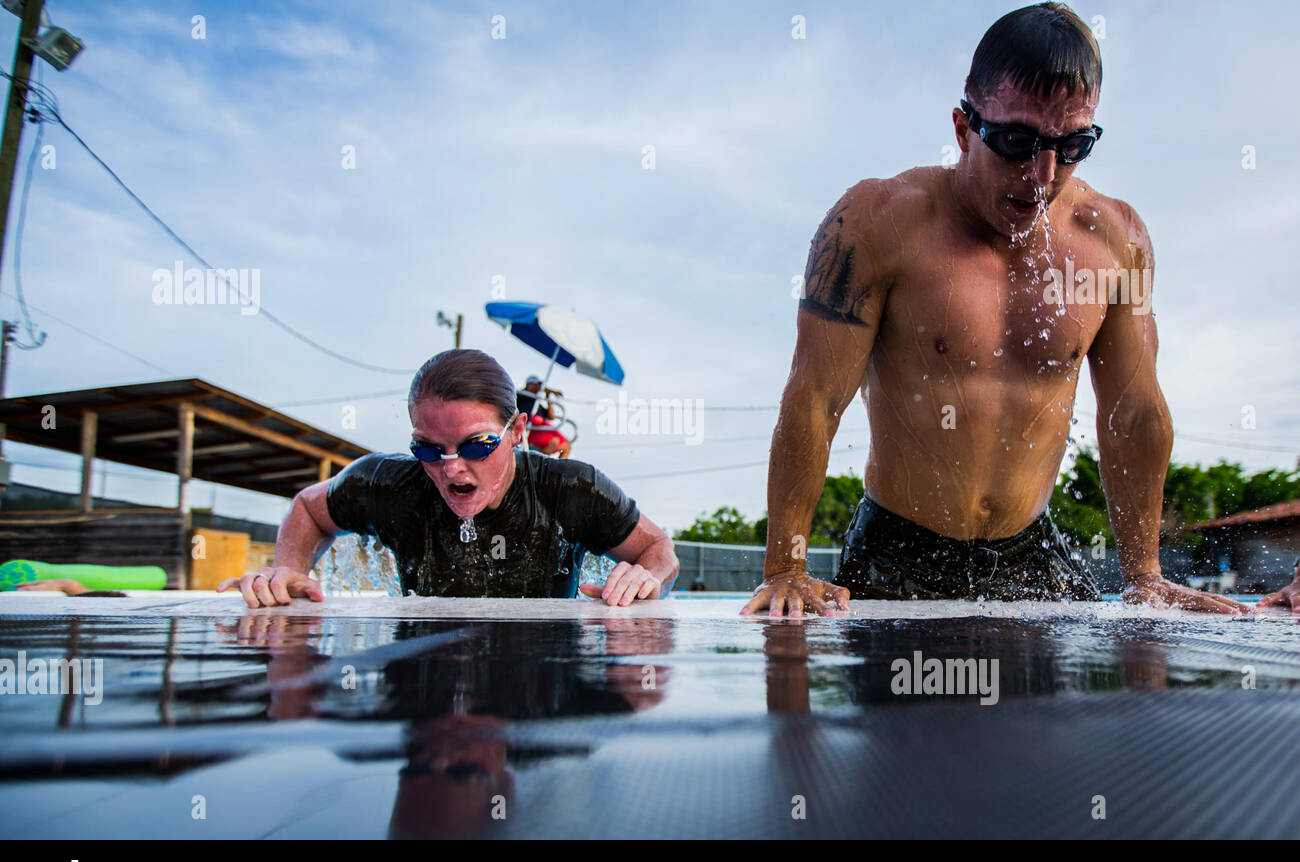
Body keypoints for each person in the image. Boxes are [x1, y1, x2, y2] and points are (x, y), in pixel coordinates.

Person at [743, 2, 1245, 618]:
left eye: (1072, 145)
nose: (1043, 174)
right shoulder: (875, 223)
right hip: (899, 554)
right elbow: (813, 399)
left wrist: (1144, 573)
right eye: (1016, 142)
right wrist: (786, 566)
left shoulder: (1117, 241)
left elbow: (1134, 412)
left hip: (1033, 556)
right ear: (962, 128)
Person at [218, 349, 678, 607]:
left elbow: (659, 550)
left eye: (477, 445)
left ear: (516, 431)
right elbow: (309, 508)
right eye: (428, 448)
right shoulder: (390, 485)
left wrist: (646, 578)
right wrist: (291, 571)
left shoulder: (572, 490)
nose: (451, 467)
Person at [516, 375, 572, 458]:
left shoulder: (537, 404)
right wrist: (552, 391)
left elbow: (551, 416)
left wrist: (548, 399)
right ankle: (536, 464)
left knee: (566, 446)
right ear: (528, 385)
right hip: (527, 431)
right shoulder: (521, 396)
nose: (539, 387)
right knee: (553, 442)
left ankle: (556, 469)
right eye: (537, 384)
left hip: (540, 431)